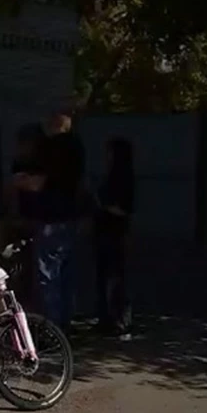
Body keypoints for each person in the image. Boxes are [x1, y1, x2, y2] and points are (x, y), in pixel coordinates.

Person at [32, 110, 87, 333]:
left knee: (48, 276)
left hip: (51, 216)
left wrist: (23, 182)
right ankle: (65, 323)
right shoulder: (78, 147)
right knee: (66, 274)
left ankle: (51, 329)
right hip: (70, 216)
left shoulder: (51, 148)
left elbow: (39, 182)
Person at [95, 136, 135, 340]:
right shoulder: (111, 175)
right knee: (106, 278)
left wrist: (103, 206)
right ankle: (108, 319)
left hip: (116, 233)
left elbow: (125, 209)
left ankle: (121, 322)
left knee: (117, 279)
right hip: (106, 231)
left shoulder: (124, 178)